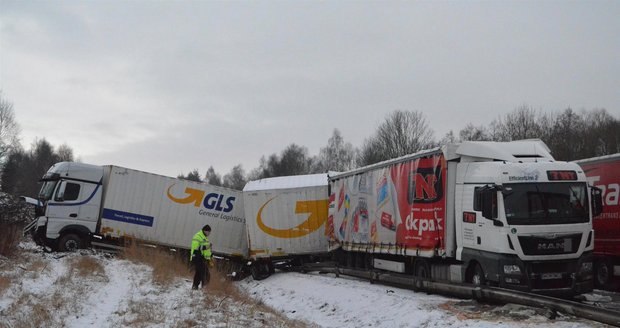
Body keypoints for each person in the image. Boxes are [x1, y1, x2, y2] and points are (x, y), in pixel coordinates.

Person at [190, 224, 212, 289]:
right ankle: (204, 287)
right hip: (197, 257)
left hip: (201, 258)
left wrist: (210, 256)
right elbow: (196, 247)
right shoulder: (198, 236)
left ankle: (195, 286)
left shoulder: (204, 237)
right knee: (205, 273)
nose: (209, 234)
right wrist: (207, 247)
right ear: (205, 231)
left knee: (199, 273)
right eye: (209, 232)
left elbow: (206, 251)